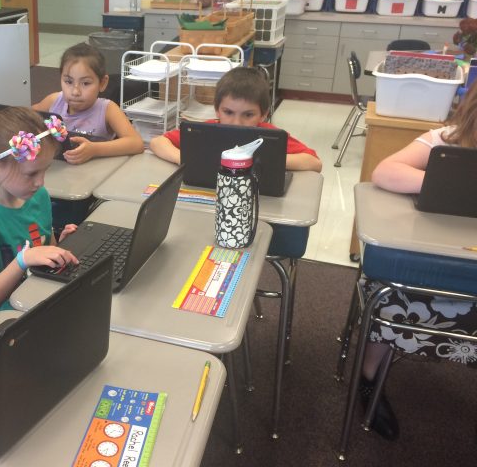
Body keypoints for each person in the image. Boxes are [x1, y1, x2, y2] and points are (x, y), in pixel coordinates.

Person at [359, 83, 477, 442]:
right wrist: (449, 182)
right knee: (393, 290)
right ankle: (368, 376)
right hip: (436, 261)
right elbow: (384, 172)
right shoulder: (448, 139)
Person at [0, 107, 78, 315]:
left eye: (44, 171)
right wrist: (22, 261)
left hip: (41, 302)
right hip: (8, 318)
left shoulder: (38, 196)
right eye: (31, 174)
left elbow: (45, 249)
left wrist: (61, 247)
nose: (40, 182)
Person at [149, 66, 322, 172]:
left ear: (263, 114)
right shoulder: (206, 131)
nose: (236, 123)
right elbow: (157, 142)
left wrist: (258, 161)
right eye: (228, 112)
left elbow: (314, 163)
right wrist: (185, 158)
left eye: (248, 115)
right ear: (217, 110)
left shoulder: (270, 136)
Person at [32, 42, 144, 164]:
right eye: (68, 82)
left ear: (102, 83)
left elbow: (136, 143)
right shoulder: (53, 102)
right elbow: (23, 117)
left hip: (96, 171)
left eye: (85, 83)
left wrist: (95, 150)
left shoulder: (107, 109)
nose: (75, 92)